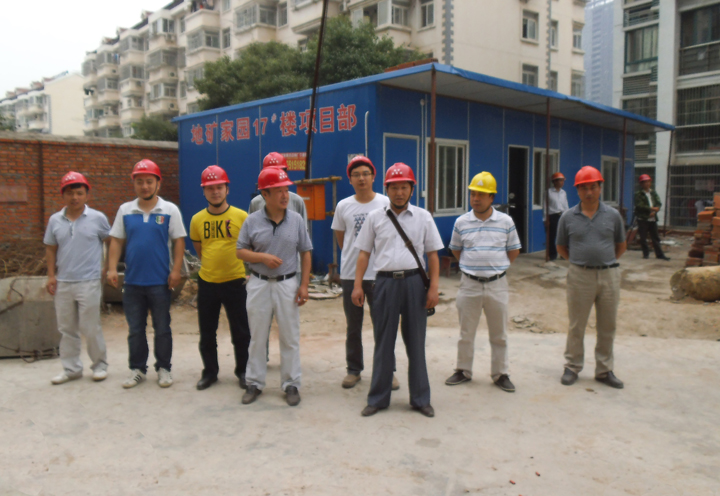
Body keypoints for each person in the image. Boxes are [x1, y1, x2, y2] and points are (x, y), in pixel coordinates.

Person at [352, 163, 443, 418]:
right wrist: (357, 285)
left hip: (415, 284)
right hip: (384, 284)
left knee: (416, 343)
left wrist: (434, 288)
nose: (399, 192)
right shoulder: (375, 218)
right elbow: (364, 254)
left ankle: (421, 399)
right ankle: (378, 399)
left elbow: (433, 255)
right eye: (394, 188)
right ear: (387, 189)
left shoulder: (423, 217)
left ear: (412, 189)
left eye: (404, 187)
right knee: (383, 343)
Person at [107, 159, 187, 389]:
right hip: (132, 282)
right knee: (135, 330)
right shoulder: (125, 210)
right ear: (134, 184)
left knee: (162, 328)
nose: (144, 186)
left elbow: (178, 241)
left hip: (160, 282)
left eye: (149, 181)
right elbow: (116, 241)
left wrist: (176, 270)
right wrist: (111, 268)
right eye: (140, 181)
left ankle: (164, 368)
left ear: (158, 184)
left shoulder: (169, 210)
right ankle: (137, 369)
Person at [236, 167, 313, 407]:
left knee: (290, 337)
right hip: (259, 284)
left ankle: (291, 384)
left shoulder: (296, 220)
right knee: (257, 336)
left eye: (286, 190)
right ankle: (254, 382)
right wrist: (262, 258)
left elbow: (306, 252)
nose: (284, 195)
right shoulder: (252, 221)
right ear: (265, 195)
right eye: (278, 191)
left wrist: (304, 285)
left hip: (287, 284)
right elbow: (240, 251)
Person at [444, 172, 521, 392]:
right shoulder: (461, 222)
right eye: (473, 194)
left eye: (481, 194)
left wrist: (495, 267)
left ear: (491, 197)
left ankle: (500, 373)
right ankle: (463, 370)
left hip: (497, 284)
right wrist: (474, 267)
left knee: (499, 333)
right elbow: (456, 250)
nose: (476, 198)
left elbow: (513, 251)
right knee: (466, 332)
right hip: (469, 284)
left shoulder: (505, 222)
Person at [331, 156, 399, 390]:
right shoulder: (343, 206)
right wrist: (354, 257)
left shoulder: (385, 202)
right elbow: (342, 239)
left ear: (373, 177)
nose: (361, 178)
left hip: (381, 273)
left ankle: (388, 370)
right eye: (356, 174)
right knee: (353, 327)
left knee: (383, 325)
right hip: (352, 275)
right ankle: (354, 370)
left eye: (365, 174)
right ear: (350, 179)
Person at [556, 166, 626, 389]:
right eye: (584, 188)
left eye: (593, 187)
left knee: (607, 325)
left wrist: (605, 262)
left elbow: (621, 244)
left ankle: (604, 370)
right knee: (577, 324)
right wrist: (579, 262)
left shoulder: (613, 216)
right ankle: (572, 366)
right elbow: (560, 246)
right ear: (577, 190)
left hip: (609, 275)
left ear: (600, 188)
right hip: (579, 276)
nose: (589, 192)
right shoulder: (568, 217)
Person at [44, 172, 111, 385]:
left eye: (79, 193)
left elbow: (111, 242)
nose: (75, 197)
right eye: (70, 193)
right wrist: (51, 276)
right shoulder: (55, 220)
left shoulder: (98, 218)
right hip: (63, 282)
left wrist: (108, 266)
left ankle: (99, 366)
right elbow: (50, 248)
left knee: (91, 327)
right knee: (66, 329)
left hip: (89, 281)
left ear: (87, 195)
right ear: (63, 195)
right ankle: (71, 369)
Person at [189, 166, 251, 391]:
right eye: (210, 188)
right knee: (207, 332)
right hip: (207, 282)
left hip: (236, 282)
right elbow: (200, 250)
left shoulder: (241, 217)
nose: (215, 192)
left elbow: (250, 247)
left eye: (219, 187)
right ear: (204, 191)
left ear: (227, 189)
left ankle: (243, 371)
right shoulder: (197, 219)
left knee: (241, 332)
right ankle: (210, 372)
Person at [248, 152, 308, 226]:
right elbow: (251, 230)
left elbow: (304, 231)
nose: (277, 175)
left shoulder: (296, 201)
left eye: (280, 172)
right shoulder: (256, 203)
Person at [634, 174, 670, 261]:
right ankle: (646, 254)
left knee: (655, 237)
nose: (647, 184)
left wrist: (655, 211)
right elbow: (639, 206)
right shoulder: (638, 194)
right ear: (641, 184)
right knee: (643, 237)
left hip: (652, 218)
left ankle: (659, 254)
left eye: (648, 182)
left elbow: (658, 203)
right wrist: (650, 209)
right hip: (643, 218)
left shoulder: (653, 193)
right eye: (645, 182)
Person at [545, 172, 569, 261]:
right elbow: (545, 206)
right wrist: (545, 219)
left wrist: (567, 216)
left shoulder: (563, 193)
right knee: (552, 236)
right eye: (560, 181)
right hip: (553, 216)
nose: (562, 183)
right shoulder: (548, 192)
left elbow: (565, 205)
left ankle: (563, 254)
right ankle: (552, 255)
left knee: (564, 236)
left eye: (563, 181)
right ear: (554, 182)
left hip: (562, 215)